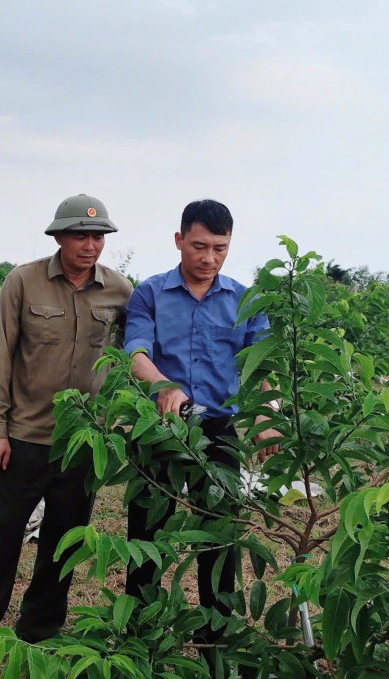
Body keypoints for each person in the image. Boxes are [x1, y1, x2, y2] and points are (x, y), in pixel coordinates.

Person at [0, 194, 133, 676]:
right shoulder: (23, 282)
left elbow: (134, 355)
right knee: (0, 535)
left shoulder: (120, 291)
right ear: (59, 236)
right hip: (24, 435)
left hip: (82, 442)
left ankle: (40, 631)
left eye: (98, 237)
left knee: (62, 542)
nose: (90, 245)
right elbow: (0, 356)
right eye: (80, 235)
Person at [122, 199, 282, 644]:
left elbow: (263, 365)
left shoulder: (245, 301)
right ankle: (141, 638)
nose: (209, 258)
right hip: (160, 429)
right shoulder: (150, 293)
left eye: (219, 248)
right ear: (179, 240)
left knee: (220, 540)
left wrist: (268, 413)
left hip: (218, 433)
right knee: (147, 538)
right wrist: (163, 386)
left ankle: (216, 640)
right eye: (199, 246)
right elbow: (135, 351)